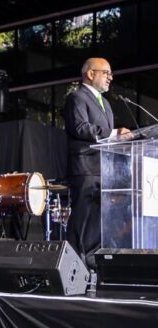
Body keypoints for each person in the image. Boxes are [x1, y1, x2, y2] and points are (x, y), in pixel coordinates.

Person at [64, 57, 132, 268]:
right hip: (85, 168)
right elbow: (80, 128)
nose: (110, 78)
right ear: (90, 73)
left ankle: (92, 262)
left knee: (98, 220)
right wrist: (114, 133)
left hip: (104, 169)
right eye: (106, 73)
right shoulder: (76, 97)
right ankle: (72, 265)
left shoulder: (106, 104)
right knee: (82, 219)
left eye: (111, 74)